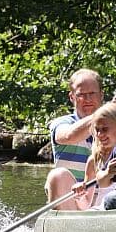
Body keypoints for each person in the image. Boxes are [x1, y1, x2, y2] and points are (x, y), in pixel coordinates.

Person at [55, 102, 116, 211]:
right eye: (97, 130)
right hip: (101, 213)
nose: (99, 134)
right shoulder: (94, 161)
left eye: (104, 129)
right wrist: (79, 195)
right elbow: (85, 204)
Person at [45, 68, 105, 202]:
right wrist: (106, 113)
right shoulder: (61, 123)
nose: (87, 99)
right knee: (58, 175)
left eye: (92, 93)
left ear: (101, 95)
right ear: (72, 97)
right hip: (72, 200)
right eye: (81, 94)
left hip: (104, 199)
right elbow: (68, 136)